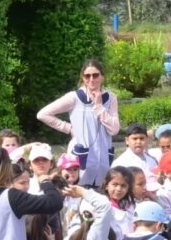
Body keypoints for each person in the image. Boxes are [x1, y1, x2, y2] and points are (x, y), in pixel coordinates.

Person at [37, 59, 120, 187]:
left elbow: (114, 129)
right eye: (87, 76)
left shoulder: (111, 98)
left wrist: (99, 106)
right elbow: (43, 114)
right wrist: (68, 128)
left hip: (103, 161)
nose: (91, 79)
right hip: (80, 161)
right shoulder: (75, 97)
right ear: (83, 77)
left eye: (95, 75)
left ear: (102, 77)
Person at [111, 123, 159, 189]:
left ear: (147, 139)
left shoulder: (152, 160)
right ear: (127, 141)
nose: (138, 142)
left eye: (142, 138)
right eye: (135, 138)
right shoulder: (121, 162)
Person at [101, 166, 135, 240]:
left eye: (123, 186)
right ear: (106, 185)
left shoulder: (130, 206)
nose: (119, 189)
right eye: (115, 184)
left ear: (128, 188)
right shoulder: (104, 206)